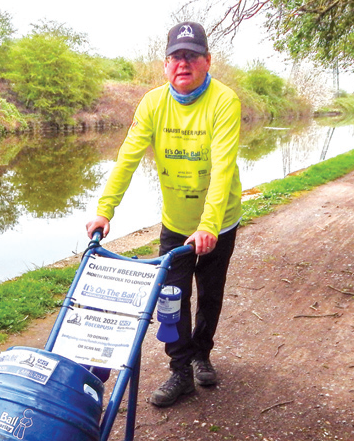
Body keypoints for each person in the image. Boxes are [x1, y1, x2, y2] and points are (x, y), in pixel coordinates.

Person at [85, 21, 243, 407]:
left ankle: (202, 354)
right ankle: (180, 370)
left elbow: (222, 168)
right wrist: (104, 211)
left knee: (209, 294)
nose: (183, 63)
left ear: (207, 61)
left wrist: (209, 225)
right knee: (171, 298)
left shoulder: (224, 101)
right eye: (176, 56)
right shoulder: (152, 103)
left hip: (219, 222)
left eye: (192, 56)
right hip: (176, 221)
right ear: (165, 64)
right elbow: (127, 158)